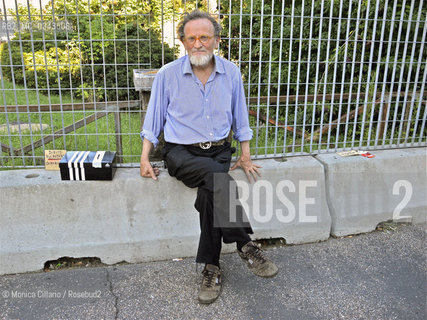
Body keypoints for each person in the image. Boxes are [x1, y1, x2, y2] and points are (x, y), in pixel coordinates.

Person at [140, 10, 278, 304]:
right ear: (183, 42)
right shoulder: (168, 75)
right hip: (180, 153)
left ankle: (212, 268)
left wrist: (245, 154)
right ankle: (244, 244)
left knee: (211, 193)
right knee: (220, 181)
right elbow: (153, 121)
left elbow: (240, 117)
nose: (198, 43)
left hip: (217, 150)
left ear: (216, 40)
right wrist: (144, 158)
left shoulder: (231, 73)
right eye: (191, 38)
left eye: (204, 37)